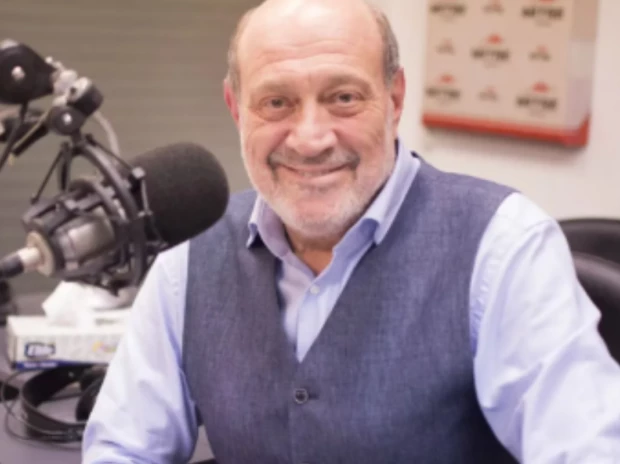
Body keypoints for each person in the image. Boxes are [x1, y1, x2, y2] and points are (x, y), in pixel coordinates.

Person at [82, 0, 620, 462]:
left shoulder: (503, 246)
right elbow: (123, 449)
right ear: (236, 109)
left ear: (395, 99)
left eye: (343, 97)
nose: (310, 138)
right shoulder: (189, 254)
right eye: (276, 102)